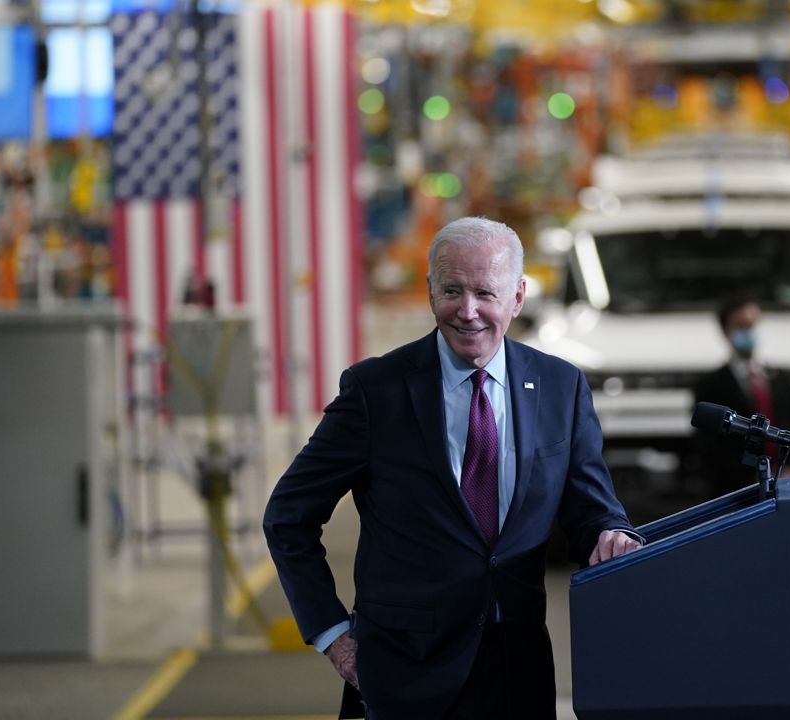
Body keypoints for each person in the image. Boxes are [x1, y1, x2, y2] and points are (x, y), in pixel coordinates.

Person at [264, 217, 642, 720]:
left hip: (519, 673)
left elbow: (591, 510)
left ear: (518, 296)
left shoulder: (561, 387)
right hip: (404, 675)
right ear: (429, 291)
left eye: (486, 292)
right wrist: (333, 635)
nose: (468, 312)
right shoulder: (376, 391)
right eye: (452, 291)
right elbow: (287, 515)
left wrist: (611, 533)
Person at [691, 292, 790, 495]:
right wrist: (751, 478)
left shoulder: (781, 379)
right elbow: (709, 447)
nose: (749, 332)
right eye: (741, 326)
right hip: (736, 492)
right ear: (726, 330)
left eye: (752, 325)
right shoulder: (710, 385)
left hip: (787, 486)